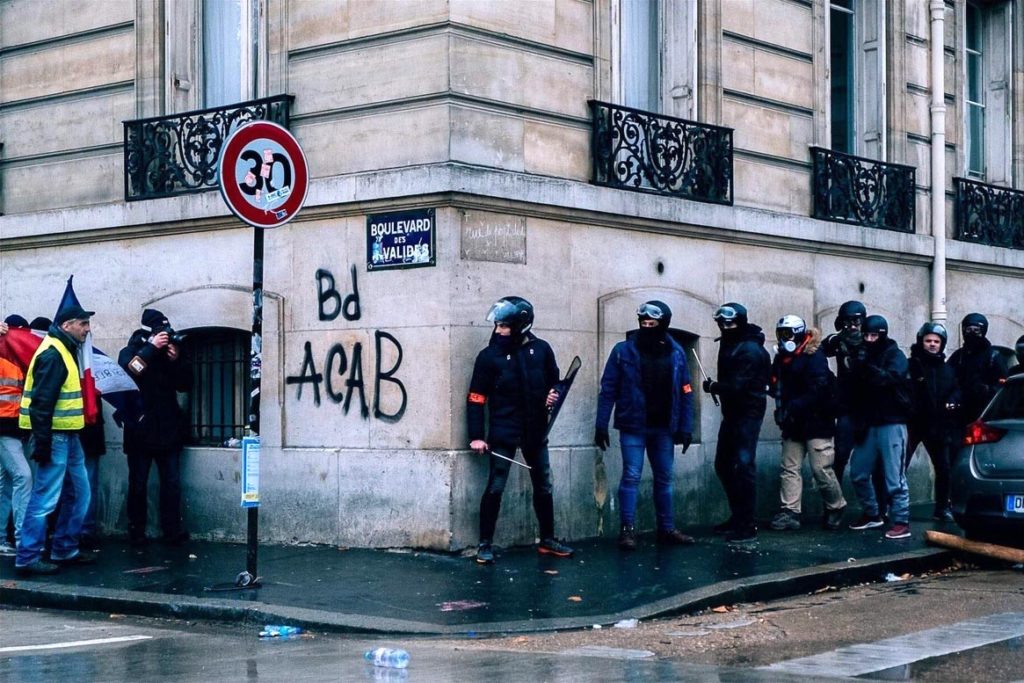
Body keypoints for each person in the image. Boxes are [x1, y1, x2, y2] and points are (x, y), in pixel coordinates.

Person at [467, 296, 573, 564]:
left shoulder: (542, 350)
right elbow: (476, 398)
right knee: (496, 485)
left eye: (504, 326)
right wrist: (476, 436)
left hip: (535, 430)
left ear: (520, 326)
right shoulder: (488, 357)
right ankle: (485, 543)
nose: (499, 331)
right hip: (504, 430)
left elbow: (556, 383)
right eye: (497, 326)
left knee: (543, 484)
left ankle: (547, 538)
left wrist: (554, 393)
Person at [595, 301, 696, 550]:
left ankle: (667, 528)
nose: (646, 325)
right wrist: (601, 424)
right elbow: (608, 389)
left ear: (664, 323)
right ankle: (627, 530)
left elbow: (686, 390)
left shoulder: (677, 352)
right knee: (631, 475)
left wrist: (685, 426)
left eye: (652, 322)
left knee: (665, 477)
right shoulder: (623, 351)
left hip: (664, 427)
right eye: (643, 322)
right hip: (633, 425)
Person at [15, 305, 96, 575]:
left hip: (68, 435)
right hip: (56, 436)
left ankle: (64, 548)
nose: (87, 329)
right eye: (83, 324)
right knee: (46, 497)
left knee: (79, 493)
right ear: (67, 325)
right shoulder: (54, 354)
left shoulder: (64, 349)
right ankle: (28, 556)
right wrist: (43, 443)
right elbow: (41, 404)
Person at [118, 309, 191, 546]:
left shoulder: (170, 354)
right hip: (140, 429)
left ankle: (172, 530)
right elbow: (131, 371)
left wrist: (176, 359)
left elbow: (185, 385)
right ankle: (136, 531)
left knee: (171, 483)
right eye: (160, 332)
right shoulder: (132, 351)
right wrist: (150, 348)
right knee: (138, 483)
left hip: (168, 429)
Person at [768, 315, 846, 531]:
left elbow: (818, 388)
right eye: (781, 334)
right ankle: (790, 511)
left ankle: (836, 506)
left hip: (817, 421)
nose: (784, 339)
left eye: (788, 334)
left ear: (799, 334)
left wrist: (793, 405)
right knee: (789, 467)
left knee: (821, 469)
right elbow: (776, 384)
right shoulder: (782, 358)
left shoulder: (814, 356)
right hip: (793, 422)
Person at [702, 302, 771, 543]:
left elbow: (738, 387)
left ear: (739, 322)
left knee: (743, 466)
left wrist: (713, 387)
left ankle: (747, 522)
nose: (725, 327)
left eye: (729, 323)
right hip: (733, 414)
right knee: (723, 465)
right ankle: (738, 516)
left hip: (747, 413)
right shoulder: (730, 343)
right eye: (722, 324)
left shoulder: (749, 350)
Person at [846, 315, 913, 540]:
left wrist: (866, 366)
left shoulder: (895, 355)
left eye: (874, 335)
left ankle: (901, 520)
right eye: (866, 335)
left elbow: (890, 380)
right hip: (869, 422)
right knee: (858, 472)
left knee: (894, 476)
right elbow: (854, 386)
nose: (869, 339)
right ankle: (873, 513)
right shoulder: (864, 354)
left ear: (882, 335)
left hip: (892, 421)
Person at [905, 322, 960, 522]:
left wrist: (953, 400)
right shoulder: (912, 365)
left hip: (938, 425)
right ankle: (893, 508)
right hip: (914, 423)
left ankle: (942, 508)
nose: (932, 344)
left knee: (943, 468)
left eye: (936, 341)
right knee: (900, 465)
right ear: (922, 341)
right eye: (928, 340)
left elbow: (955, 389)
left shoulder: (947, 369)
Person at [0, 315, 32, 556]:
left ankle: (3, 538)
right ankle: (22, 540)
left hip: (14, 428)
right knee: (23, 476)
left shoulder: (17, 359)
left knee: (8, 484)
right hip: (5, 429)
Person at [948, 313, 1008, 427]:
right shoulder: (958, 356)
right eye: (968, 329)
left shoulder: (994, 357)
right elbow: (947, 378)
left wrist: (987, 389)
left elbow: (1004, 386)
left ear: (983, 331)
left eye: (976, 330)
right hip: (960, 413)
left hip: (985, 413)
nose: (972, 333)